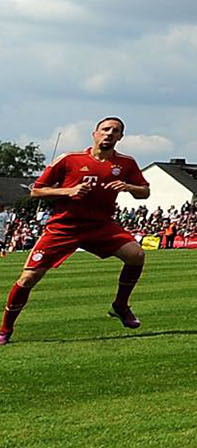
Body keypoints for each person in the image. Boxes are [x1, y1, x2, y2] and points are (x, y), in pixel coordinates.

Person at [3, 117, 151, 345]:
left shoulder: (126, 164)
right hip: (65, 227)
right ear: (94, 133)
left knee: (136, 255)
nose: (109, 133)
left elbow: (145, 192)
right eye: (105, 129)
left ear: (121, 137)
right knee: (28, 277)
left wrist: (129, 187)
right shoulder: (70, 160)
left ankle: (120, 306)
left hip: (100, 225)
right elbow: (36, 191)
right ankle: (5, 329)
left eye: (115, 131)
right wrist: (68, 191)